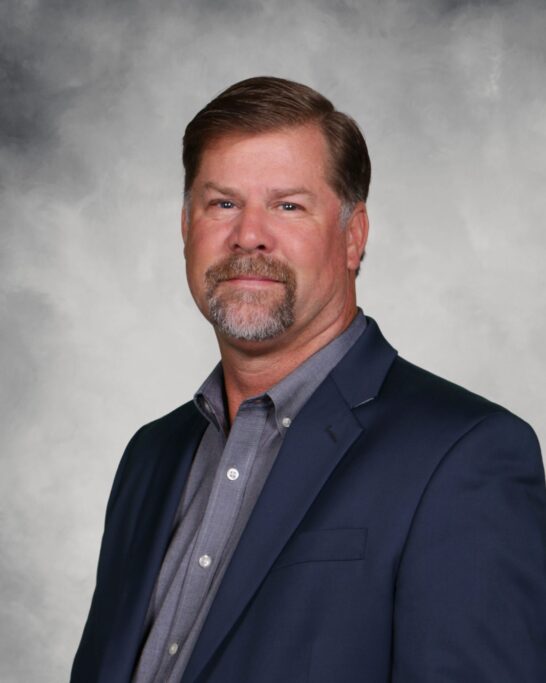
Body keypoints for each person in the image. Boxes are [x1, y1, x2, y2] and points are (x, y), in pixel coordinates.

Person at [71, 77, 546, 683]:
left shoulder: (465, 455)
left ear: (353, 237)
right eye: (223, 203)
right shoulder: (149, 458)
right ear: (186, 228)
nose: (249, 235)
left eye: (288, 205)